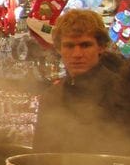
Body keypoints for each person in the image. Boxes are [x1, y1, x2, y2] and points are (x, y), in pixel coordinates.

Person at [32, 9, 119, 154]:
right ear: (59, 49)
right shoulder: (51, 97)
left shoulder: (121, 92)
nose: (77, 54)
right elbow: (40, 155)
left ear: (101, 47)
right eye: (69, 46)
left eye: (85, 45)